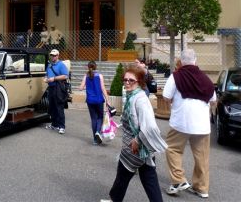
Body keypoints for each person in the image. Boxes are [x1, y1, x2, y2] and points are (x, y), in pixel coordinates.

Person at [107, 64, 167, 202]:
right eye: (125, 80)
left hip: (137, 148)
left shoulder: (140, 99)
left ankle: (115, 199)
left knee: (129, 174)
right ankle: (115, 198)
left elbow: (150, 126)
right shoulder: (131, 96)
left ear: (139, 82)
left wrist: (138, 140)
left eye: (131, 80)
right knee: (142, 176)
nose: (127, 83)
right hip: (133, 148)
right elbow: (133, 120)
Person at [163, 49, 216, 199]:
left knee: (172, 149)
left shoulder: (176, 76)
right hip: (202, 125)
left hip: (181, 122)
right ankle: (201, 188)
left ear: (181, 61)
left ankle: (178, 180)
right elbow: (213, 101)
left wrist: (175, 102)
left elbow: (166, 97)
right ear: (195, 60)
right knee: (202, 157)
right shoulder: (206, 78)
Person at [80, 61, 109, 145]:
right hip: (99, 100)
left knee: (93, 118)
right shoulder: (100, 76)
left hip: (90, 100)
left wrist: (83, 85)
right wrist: (107, 99)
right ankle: (98, 132)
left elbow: (81, 88)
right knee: (100, 117)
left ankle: (95, 140)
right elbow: (103, 88)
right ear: (96, 67)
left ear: (88, 67)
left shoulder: (86, 76)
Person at [44, 49, 69, 134]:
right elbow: (47, 74)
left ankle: (62, 126)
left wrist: (54, 78)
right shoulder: (49, 65)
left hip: (58, 88)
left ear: (58, 55)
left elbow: (65, 76)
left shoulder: (61, 64)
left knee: (59, 108)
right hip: (51, 88)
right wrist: (46, 78)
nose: (53, 57)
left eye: (54, 55)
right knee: (52, 107)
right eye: (52, 55)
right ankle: (54, 124)